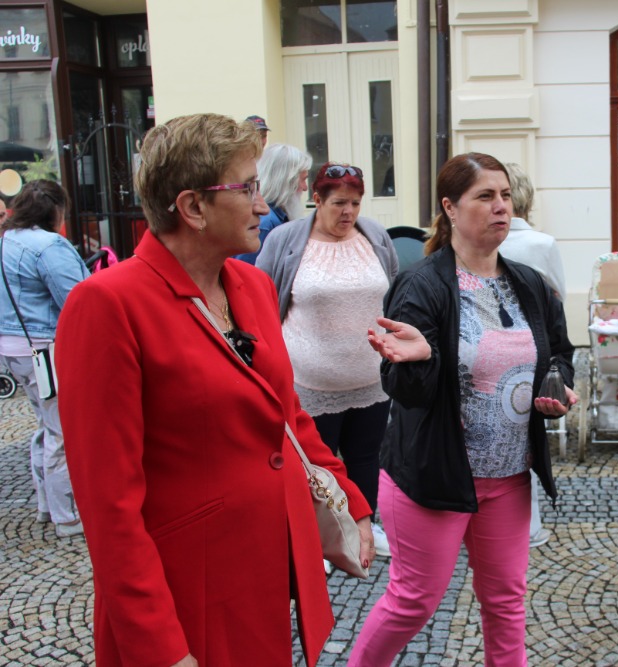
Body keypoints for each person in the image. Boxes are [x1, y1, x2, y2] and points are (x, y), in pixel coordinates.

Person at [56, 114, 375, 667]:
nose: (262, 205)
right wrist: (159, 646)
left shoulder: (251, 284)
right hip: (185, 590)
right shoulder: (108, 304)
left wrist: (347, 498)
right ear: (193, 207)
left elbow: (286, 413)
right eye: (247, 188)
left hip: (263, 574)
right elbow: (108, 506)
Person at [349, 153, 576, 666]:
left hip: (508, 477)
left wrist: (557, 388)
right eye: (485, 196)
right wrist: (422, 360)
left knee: (505, 601)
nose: (501, 207)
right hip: (435, 475)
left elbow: (559, 353)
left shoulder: (529, 284)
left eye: (505, 196)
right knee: (414, 601)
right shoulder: (422, 285)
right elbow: (405, 392)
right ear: (450, 208)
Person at [257, 162, 398, 558]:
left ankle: (364, 527)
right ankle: (316, 540)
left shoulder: (375, 236)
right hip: (309, 383)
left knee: (366, 457)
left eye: (355, 203)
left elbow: (391, 290)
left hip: (370, 379)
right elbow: (262, 299)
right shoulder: (286, 240)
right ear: (316, 200)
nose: (348, 212)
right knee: (312, 466)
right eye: (338, 203)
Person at [0, 180, 88, 539]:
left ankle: (46, 505)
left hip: (14, 348)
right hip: (45, 348)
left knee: (45, 425)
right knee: (62, 433)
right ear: (56, 211)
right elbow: (79, 300)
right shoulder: (48, 245)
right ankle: (67, 515)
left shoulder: (7, 240)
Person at [499, 161, 567, 549]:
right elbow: (558, 296)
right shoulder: (541, 244)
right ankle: (527, 526)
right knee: (527, 435)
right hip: (534, 346)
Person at [234, 142, 312, 264]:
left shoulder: (276, 218)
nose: (305, 187)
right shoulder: (265, 223)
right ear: (286, 181)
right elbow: (245, 270)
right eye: (303, 180)